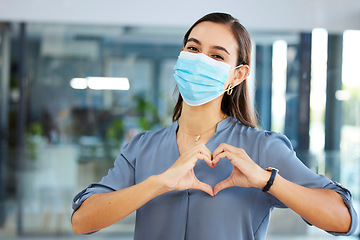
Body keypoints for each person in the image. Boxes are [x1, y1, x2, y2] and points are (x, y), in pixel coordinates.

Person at [71, 12, 357, 239]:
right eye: (193, 49)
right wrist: (159, 183)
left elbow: (345, 219)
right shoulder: (142, 148)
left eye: (217, 56)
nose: (199, 61)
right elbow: (83, 221)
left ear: (237, 75)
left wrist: (267, 181)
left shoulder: (262, 147)